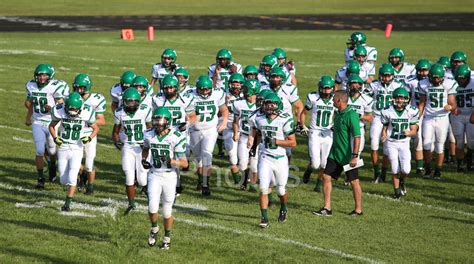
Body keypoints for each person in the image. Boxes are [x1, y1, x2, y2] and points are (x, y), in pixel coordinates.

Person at [142, 107, 188, 250]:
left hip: (169, 176)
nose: (158, 123)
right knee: (152, 207)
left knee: (167, 211)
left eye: (160, 120)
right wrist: (144, 159)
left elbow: (185, 163)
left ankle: (167, 238)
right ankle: (154, 229)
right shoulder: (149, 134)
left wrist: (171, 162)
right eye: (156, 120)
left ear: (168, 121)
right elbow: (145, 148)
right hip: (154, 174)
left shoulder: (176, 136)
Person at [313, 90, 363, 217]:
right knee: (326, 176)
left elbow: (357, 137)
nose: (332, 100)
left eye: (334, 99)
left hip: (347, 155)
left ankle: (358, 210)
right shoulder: (338, 114)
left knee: (354, 182)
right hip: (335, 153)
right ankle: (327, 207)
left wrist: (355, 156)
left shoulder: (351, 115)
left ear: (339, 101)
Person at [251, 92, 296, 228]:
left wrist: (276, 141)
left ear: (278, 105)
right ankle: (264, 218)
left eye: (273, 103)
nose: (270, 106)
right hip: (265, 157)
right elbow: (258, 133)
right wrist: (253, 146)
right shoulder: (259, 118)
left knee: (281, 190)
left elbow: (292, 142)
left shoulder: (285, 119)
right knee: (263, 188)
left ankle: (283, 207)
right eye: (268, 103)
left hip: (280, 158)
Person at [49, 92, 99, 211]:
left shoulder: (87, 112)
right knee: (63, 180)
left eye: (74, 108)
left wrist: (89, 137)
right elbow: (51, 126)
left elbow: (96, 128)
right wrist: (55, 138)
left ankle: (67, 204)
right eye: (70, 108)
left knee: (71, 178)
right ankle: (81, 173)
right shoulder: (59, 110)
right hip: (63, 147)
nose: (72, 111)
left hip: (77, 147)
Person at [25, 64, 69, 189]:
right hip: (38, 121)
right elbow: (31, 103)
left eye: (44, 75)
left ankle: (52, 165)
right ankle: (40, 178)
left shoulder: (55, 87)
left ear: (50, 76)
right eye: (39, 75)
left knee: (52, 150)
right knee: (39, 150)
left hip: (52, 121)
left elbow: (62, 106)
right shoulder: (31, 85)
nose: (41, 77)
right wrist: (28, 116)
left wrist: (52, 109)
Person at [152, 74, 196, 194]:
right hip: (165, 134)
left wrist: (187, 124)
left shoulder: (185, 100)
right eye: (166, 88)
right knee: (171, 159)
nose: (169, 90)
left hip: (181, 134)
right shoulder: (158, 100)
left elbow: (193, 116)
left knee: (182, 159)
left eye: (171, 87)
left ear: (176, 87)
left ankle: (175, 183)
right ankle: (176, 186)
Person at [113, 88, 152, 213]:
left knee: (142, 180)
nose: (131, 104)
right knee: (129, 176)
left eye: (134, 102)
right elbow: (115, 131)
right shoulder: (119, 113)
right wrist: (116, 140)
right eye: (129, 102)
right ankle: (131, 204)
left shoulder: (145, 111)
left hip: (142, 148)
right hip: (128, 147)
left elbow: (152, 130)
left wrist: (148, 143)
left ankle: (150, 192)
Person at [189, 75, 228, 196]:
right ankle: (200, 180)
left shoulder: (217, 93)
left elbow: (224, 110)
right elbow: (188, 114)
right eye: (202, 89)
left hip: (211, 129)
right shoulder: (190, 95)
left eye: (207, 89)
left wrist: (224, 121)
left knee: (207, 154)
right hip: (195, 130)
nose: (205, 92)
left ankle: (205, 184)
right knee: (198, 158)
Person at [418, 64, 458, 178]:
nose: (436, 80)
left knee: (439, 146)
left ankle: (438, 170)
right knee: (426, 144)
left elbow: (453, 104)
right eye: (434, 77)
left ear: (443, 77)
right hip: (428, 118)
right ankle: (428, 168)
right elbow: (422, 103)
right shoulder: (424, 84)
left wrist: (450, 107)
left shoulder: (448, 84)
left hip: (442, 118)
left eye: (438, 77)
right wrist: (417, 118)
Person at [367, 64, 404, 183]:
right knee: (373, 144)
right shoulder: (374, 85)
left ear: (392, 76)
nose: (385, 78)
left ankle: (383, 172)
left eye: (388, 76)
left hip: (391, 119)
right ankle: (376, 172)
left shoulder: (398, 85)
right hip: (377, 117)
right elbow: (365, 98)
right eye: (383, 75)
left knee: (388, 149)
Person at [381, 88, 419, 199]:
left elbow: (414, 129)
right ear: (394, 98)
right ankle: (397, 192)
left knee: (406, 169)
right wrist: (383, 135)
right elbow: (385, 126)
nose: (399, 100)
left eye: (402, 98)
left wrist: (410, 132)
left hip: (404, 143)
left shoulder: (411, 111)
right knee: (394, 169)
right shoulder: (387, 110)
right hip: (391, 142)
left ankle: (402, 180)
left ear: (406, 99)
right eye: (397, 98)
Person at [300, 76, 336, 193]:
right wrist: (302, 125)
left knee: (324, 163)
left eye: (328, 88)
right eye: (323, 88)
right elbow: (304, 112)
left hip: (328, 134)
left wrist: (336, 125)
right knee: (316, 164)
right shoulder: (313, 98)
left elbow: (340, 115)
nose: (325, 91)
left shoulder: (335, 100)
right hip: (315, 132)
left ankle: (318, 184)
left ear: (332, 89)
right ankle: (309, 168)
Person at [73, 73, 106, 195]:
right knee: (74, 161)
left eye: (81, 87)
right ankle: (81, 177)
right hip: (75, 133)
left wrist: (87, 120)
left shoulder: (96, 99)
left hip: (90, 134)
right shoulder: (73, 98)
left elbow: (102, 120)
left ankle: (90, 186)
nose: (78, 90)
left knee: (89, 163)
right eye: (76, 87)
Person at [405, 59, 431, 175]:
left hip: (430, 114)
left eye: (424, 70)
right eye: (420, 70)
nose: (422, 73)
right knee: (418, 140)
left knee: (429, 141)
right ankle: (420, 167)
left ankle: (428, 164)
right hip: (415, 113)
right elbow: (406, 98)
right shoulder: (410, 81)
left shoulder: (433, 82)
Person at [232, 79, 260, 192]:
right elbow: (235, 120)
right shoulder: (238, 103)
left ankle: (253, 184)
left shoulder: (260, 104)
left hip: (257, 138)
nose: (243, 90)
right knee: (243, 164)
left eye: (246, 89)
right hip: (243, 136)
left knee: (254, 164)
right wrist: (235, 132)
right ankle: (244, 179)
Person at [451, 64, 474, 171]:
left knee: (472, 141)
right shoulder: (452, 84)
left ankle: (469, 159)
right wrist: (452, 107)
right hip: (457, 115)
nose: (460, 80)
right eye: (458, 78)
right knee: (459, 141)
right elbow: (447, 98)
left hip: (471, 114)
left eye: (463, 78)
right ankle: (460, 164)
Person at [224, 73, 245, 184]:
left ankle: (246, 180)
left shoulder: (246, 95)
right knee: (233, 158)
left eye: (238, 84)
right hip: (229, 128)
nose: (236, 86)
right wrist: (225, 104)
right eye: (234, 84)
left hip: (244, 129)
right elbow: (217, 113)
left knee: (244, 159)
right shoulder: (224, 95)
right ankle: (238, 181)